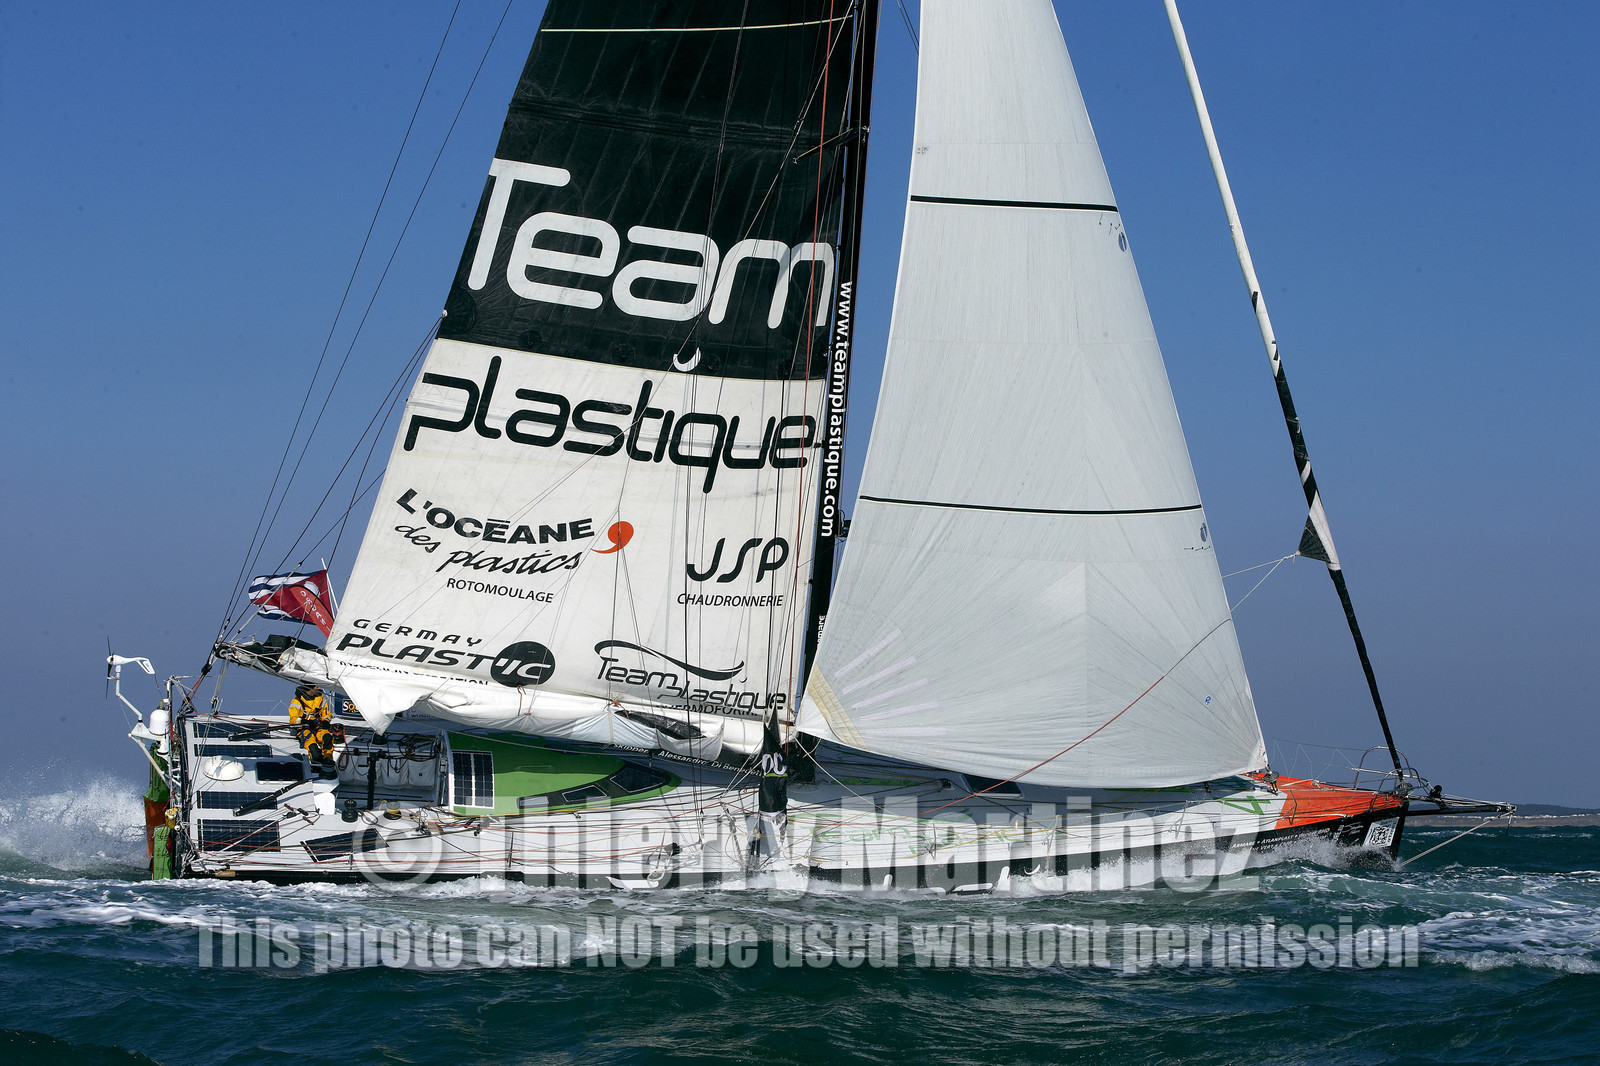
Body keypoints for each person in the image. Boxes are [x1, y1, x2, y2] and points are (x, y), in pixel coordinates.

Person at [288, 683, 336, 773]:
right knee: (313, 746)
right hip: (304, 728)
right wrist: (305, 721)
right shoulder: (296, 702)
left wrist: (326, 720)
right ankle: (316, 769)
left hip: (318, 726)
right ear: (309, 689)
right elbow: (293, 720)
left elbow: (326, 713)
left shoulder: (320, 698)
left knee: (328, 738)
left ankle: (328, 762)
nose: (319, 688)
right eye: (316, 687)